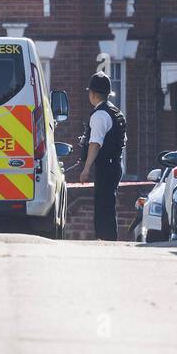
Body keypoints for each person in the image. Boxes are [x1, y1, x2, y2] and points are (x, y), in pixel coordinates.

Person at [79, 72, 126, 241]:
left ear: (92, 93)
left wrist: (86, 168)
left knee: (102, 207)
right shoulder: (116, 112)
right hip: (115, 164)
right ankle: (109, 240)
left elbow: (95, 144)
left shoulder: (99, 115)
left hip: (106, 167)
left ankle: (105, 241)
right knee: (108, 206)